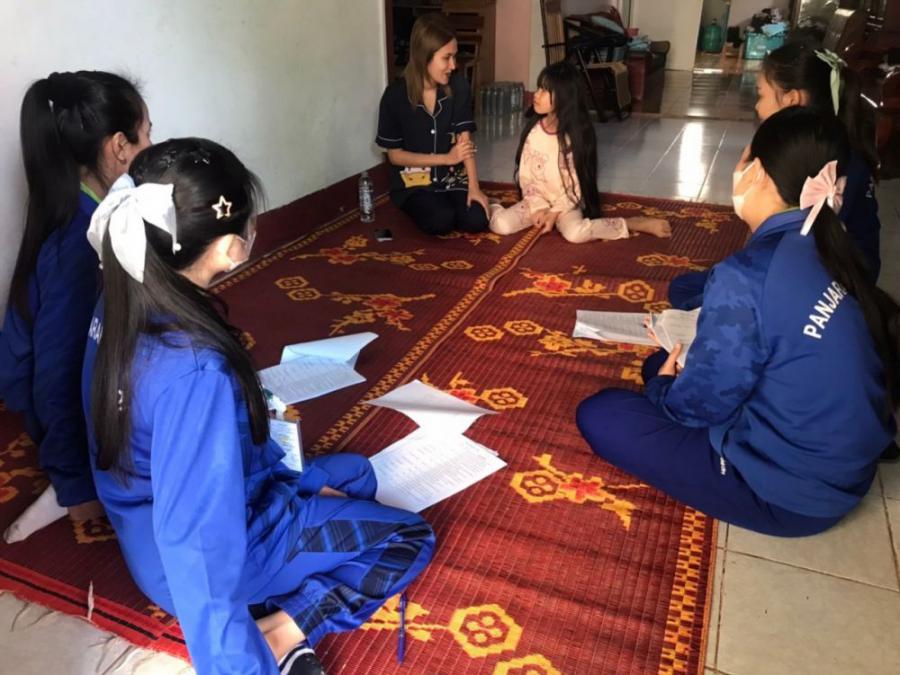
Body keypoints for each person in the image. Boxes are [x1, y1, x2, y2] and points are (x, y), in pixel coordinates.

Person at [81, 138, 434, 675]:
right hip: (203, 555)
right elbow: (199, 544)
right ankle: (281, 629)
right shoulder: (195, 370)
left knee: (358, 473)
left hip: (144, 524)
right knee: (408, 537)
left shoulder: (124, 290)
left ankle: (280, 575)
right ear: (231, 248)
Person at [577, 108, 898, 537]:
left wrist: (662, 389)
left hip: (791, 495)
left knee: (603, 413)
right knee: (662, 364)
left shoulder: (748, 275)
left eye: (744, 160)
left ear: (759, 173)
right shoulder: (829, 243)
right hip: (844, 468)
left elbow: (696, 408)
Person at [0, 71, 150, 543]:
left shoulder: (91, 207)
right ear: (119, 146)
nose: (152, 145)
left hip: (72, 372)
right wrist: (74, 484)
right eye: (146, 134)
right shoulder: (77, 246)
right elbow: (55, 376)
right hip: (50, 398)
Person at [669, 43, 882, 310]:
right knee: (687, 286)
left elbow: (798, 244)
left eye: (761, 95)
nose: (757, 107)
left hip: (825, 286)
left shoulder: (827, 165)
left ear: (791, 99)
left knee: (699, 294)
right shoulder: (815, 145)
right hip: (805, 268)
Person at [489, 61, 670, 242]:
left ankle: (631, 223)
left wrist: (554, 212)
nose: (536, 94)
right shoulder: (534, 132)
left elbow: (577, 184)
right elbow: (526, 176)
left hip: (567, 203)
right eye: (538, 88)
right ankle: (490, 205)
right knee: (501, 225)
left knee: (575, 234)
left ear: (564, 97)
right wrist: (538, 207)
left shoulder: (576, 137)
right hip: (536, 201)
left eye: (544, 90)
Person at [376, 13, 489, 235]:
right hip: (414, 184)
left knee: (477, 220)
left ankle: (455, 200)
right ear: (424, 56)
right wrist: (446, 158)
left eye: (455, 57)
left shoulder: (459, 87)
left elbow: (465, 140)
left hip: (453, 179)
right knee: (440, 221)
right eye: (447, 58)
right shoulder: (395, 96)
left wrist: (474, 188)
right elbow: (395, 156)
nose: (453, 65)